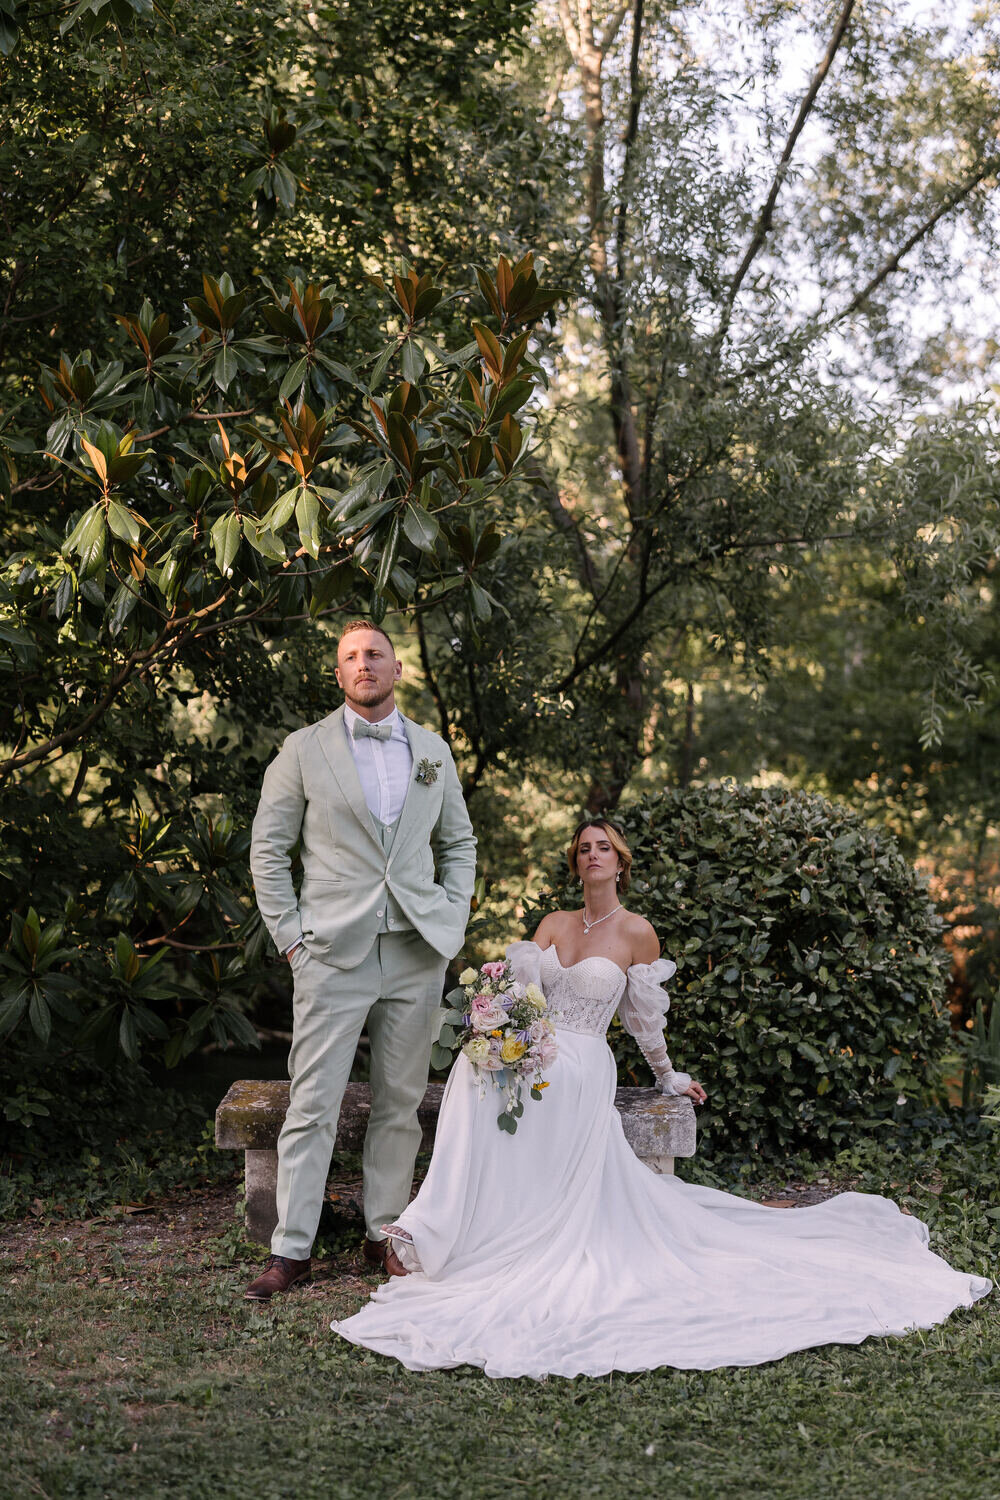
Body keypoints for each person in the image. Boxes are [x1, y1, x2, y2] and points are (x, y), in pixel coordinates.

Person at [332, 818, 991, 1378]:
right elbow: (513, 992)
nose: (593, 856)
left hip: (584, 1058)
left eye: (603, 848)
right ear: (576, 864)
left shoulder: (637, 933)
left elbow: (645, 1020)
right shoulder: (553, 922)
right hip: (533, 1045)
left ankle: (472, 1232)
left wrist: (668, 1074)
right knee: (477, 1077)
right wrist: (497, 1026)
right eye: (583, 849)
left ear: (620, 861)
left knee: (535, 1083)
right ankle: (431, 1232)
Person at [244, 620, 477, 1301]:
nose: (363, 664)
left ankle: (385, 1235)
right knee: (312, 1103)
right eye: (350, 657)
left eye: (374, 653)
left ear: (397, 668)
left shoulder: (432, 751)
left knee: (400, 1103)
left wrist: (451, 916)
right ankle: (292, 1249)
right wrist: (289, 934)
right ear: (339, 675)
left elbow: (458, 842)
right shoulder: (302, 749)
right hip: (331, 953)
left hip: (414, 950)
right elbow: (269, 849)